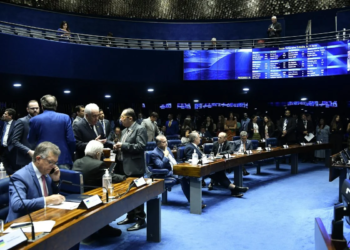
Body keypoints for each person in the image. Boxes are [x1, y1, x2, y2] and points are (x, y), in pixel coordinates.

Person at [72, 140, 126, 236]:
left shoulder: (77, 162)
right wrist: (124, 177)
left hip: (78, 196)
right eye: (101, 153)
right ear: (97, 153)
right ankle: (104, 228)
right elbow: (111, 177)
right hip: (93, 197)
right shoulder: (98, 164)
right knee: (111, 193)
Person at [6, 142, 65, 222]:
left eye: (55, 163)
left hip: (43, 217)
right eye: (51, 162)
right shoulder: (20, 177)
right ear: (38, 159)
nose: (53, 166)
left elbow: (52, 196)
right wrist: (46, 200)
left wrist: (55, 181)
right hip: (22, 223)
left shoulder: (46, 173)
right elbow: (17, 204)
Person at [114, 108, 147, 231]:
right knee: (127, 194)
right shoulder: (124, 131)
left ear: (130, 118)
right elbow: (125, 147)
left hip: (134, 168)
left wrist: (123, 145)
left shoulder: (140, 129)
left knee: (137, 194)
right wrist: (118, 147)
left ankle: (141, 219)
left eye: (122, 117)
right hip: (123, 166)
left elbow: (141, 146)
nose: (120, 119)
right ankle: (130, 215)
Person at [28, 95, 75, 170]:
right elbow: (71, 140)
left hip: (43, 158)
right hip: (63, 158)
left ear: (42, 106)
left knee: (42, 181)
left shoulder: (34, 120)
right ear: (56, 105)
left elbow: (31, 140)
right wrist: (70, 153)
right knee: (64, 181)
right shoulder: (65, 118)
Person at [150, 135, 191, 201]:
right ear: (158, 143)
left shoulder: (168, 148)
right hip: (166, 173)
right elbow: (160, 166)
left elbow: (174, 161)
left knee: (190, 175)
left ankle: (195, 198)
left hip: (176, 169)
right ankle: (193, 201)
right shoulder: (154, 153)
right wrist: (165, 156)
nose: (166, 143)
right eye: (164, 142)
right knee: (183, 177)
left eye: (166, 141)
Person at [208, 132, 249, 197]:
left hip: (224, 163)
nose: (218, 139)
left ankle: (234, 190)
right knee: (220, 174)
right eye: (218, 137)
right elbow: (211, 153)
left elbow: (231, 151)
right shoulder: (215, 144)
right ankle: (235, 190)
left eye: (220, 138)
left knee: (220, 173)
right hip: (214, 163)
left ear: (225, 139)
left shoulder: (228, 143)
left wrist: (220, 154)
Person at [8, 100, 40, 171]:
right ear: (27, 109)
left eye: (37, 108)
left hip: (40, 157)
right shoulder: (22, 121)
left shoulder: (42, 121)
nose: (35, 110)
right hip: (26, 158)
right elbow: (15, 141)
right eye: (32, 108)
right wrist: (28, 151)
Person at [182, 131, 206, 208]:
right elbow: (189, 160)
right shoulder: (190, 147)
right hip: (192, 170)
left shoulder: (195, 146)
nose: (200, 139)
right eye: (199, 137)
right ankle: (195, 201)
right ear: (195, 139)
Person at [0, 108, 16, 174]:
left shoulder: (16, 124)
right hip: (3, 149)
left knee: (13, 167)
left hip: (11, 149)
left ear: (10, 116)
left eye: (5, 114)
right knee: (6, 166)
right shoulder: (3, 124)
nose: (3, 115)